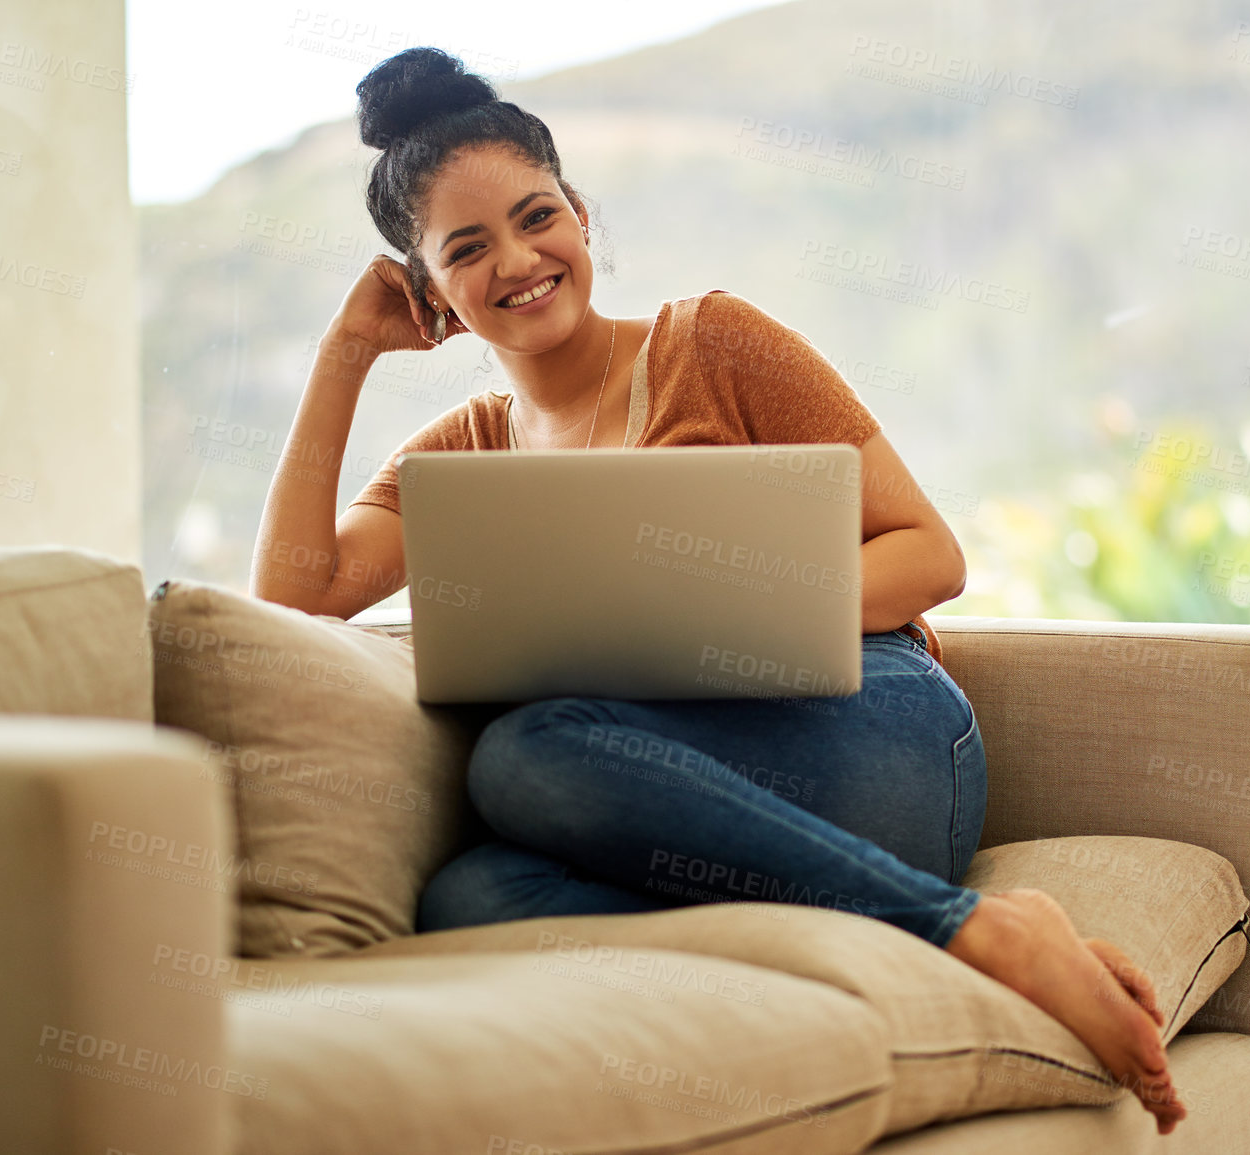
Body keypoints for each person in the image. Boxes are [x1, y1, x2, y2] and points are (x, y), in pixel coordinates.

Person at [249, 45, 1185, 1133]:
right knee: (472, 898)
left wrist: (715, 622)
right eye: (467, 248)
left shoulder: (716, 343)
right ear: (431, 293)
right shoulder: (454, 458)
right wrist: (345, 354)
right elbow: (296, 596)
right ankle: (891, 924)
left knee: (524, 752)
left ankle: (981, 931)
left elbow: (931, 555)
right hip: (702, 804)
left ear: (582, 215)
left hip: (867, 729)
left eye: (536, 216)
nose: (518, 259)